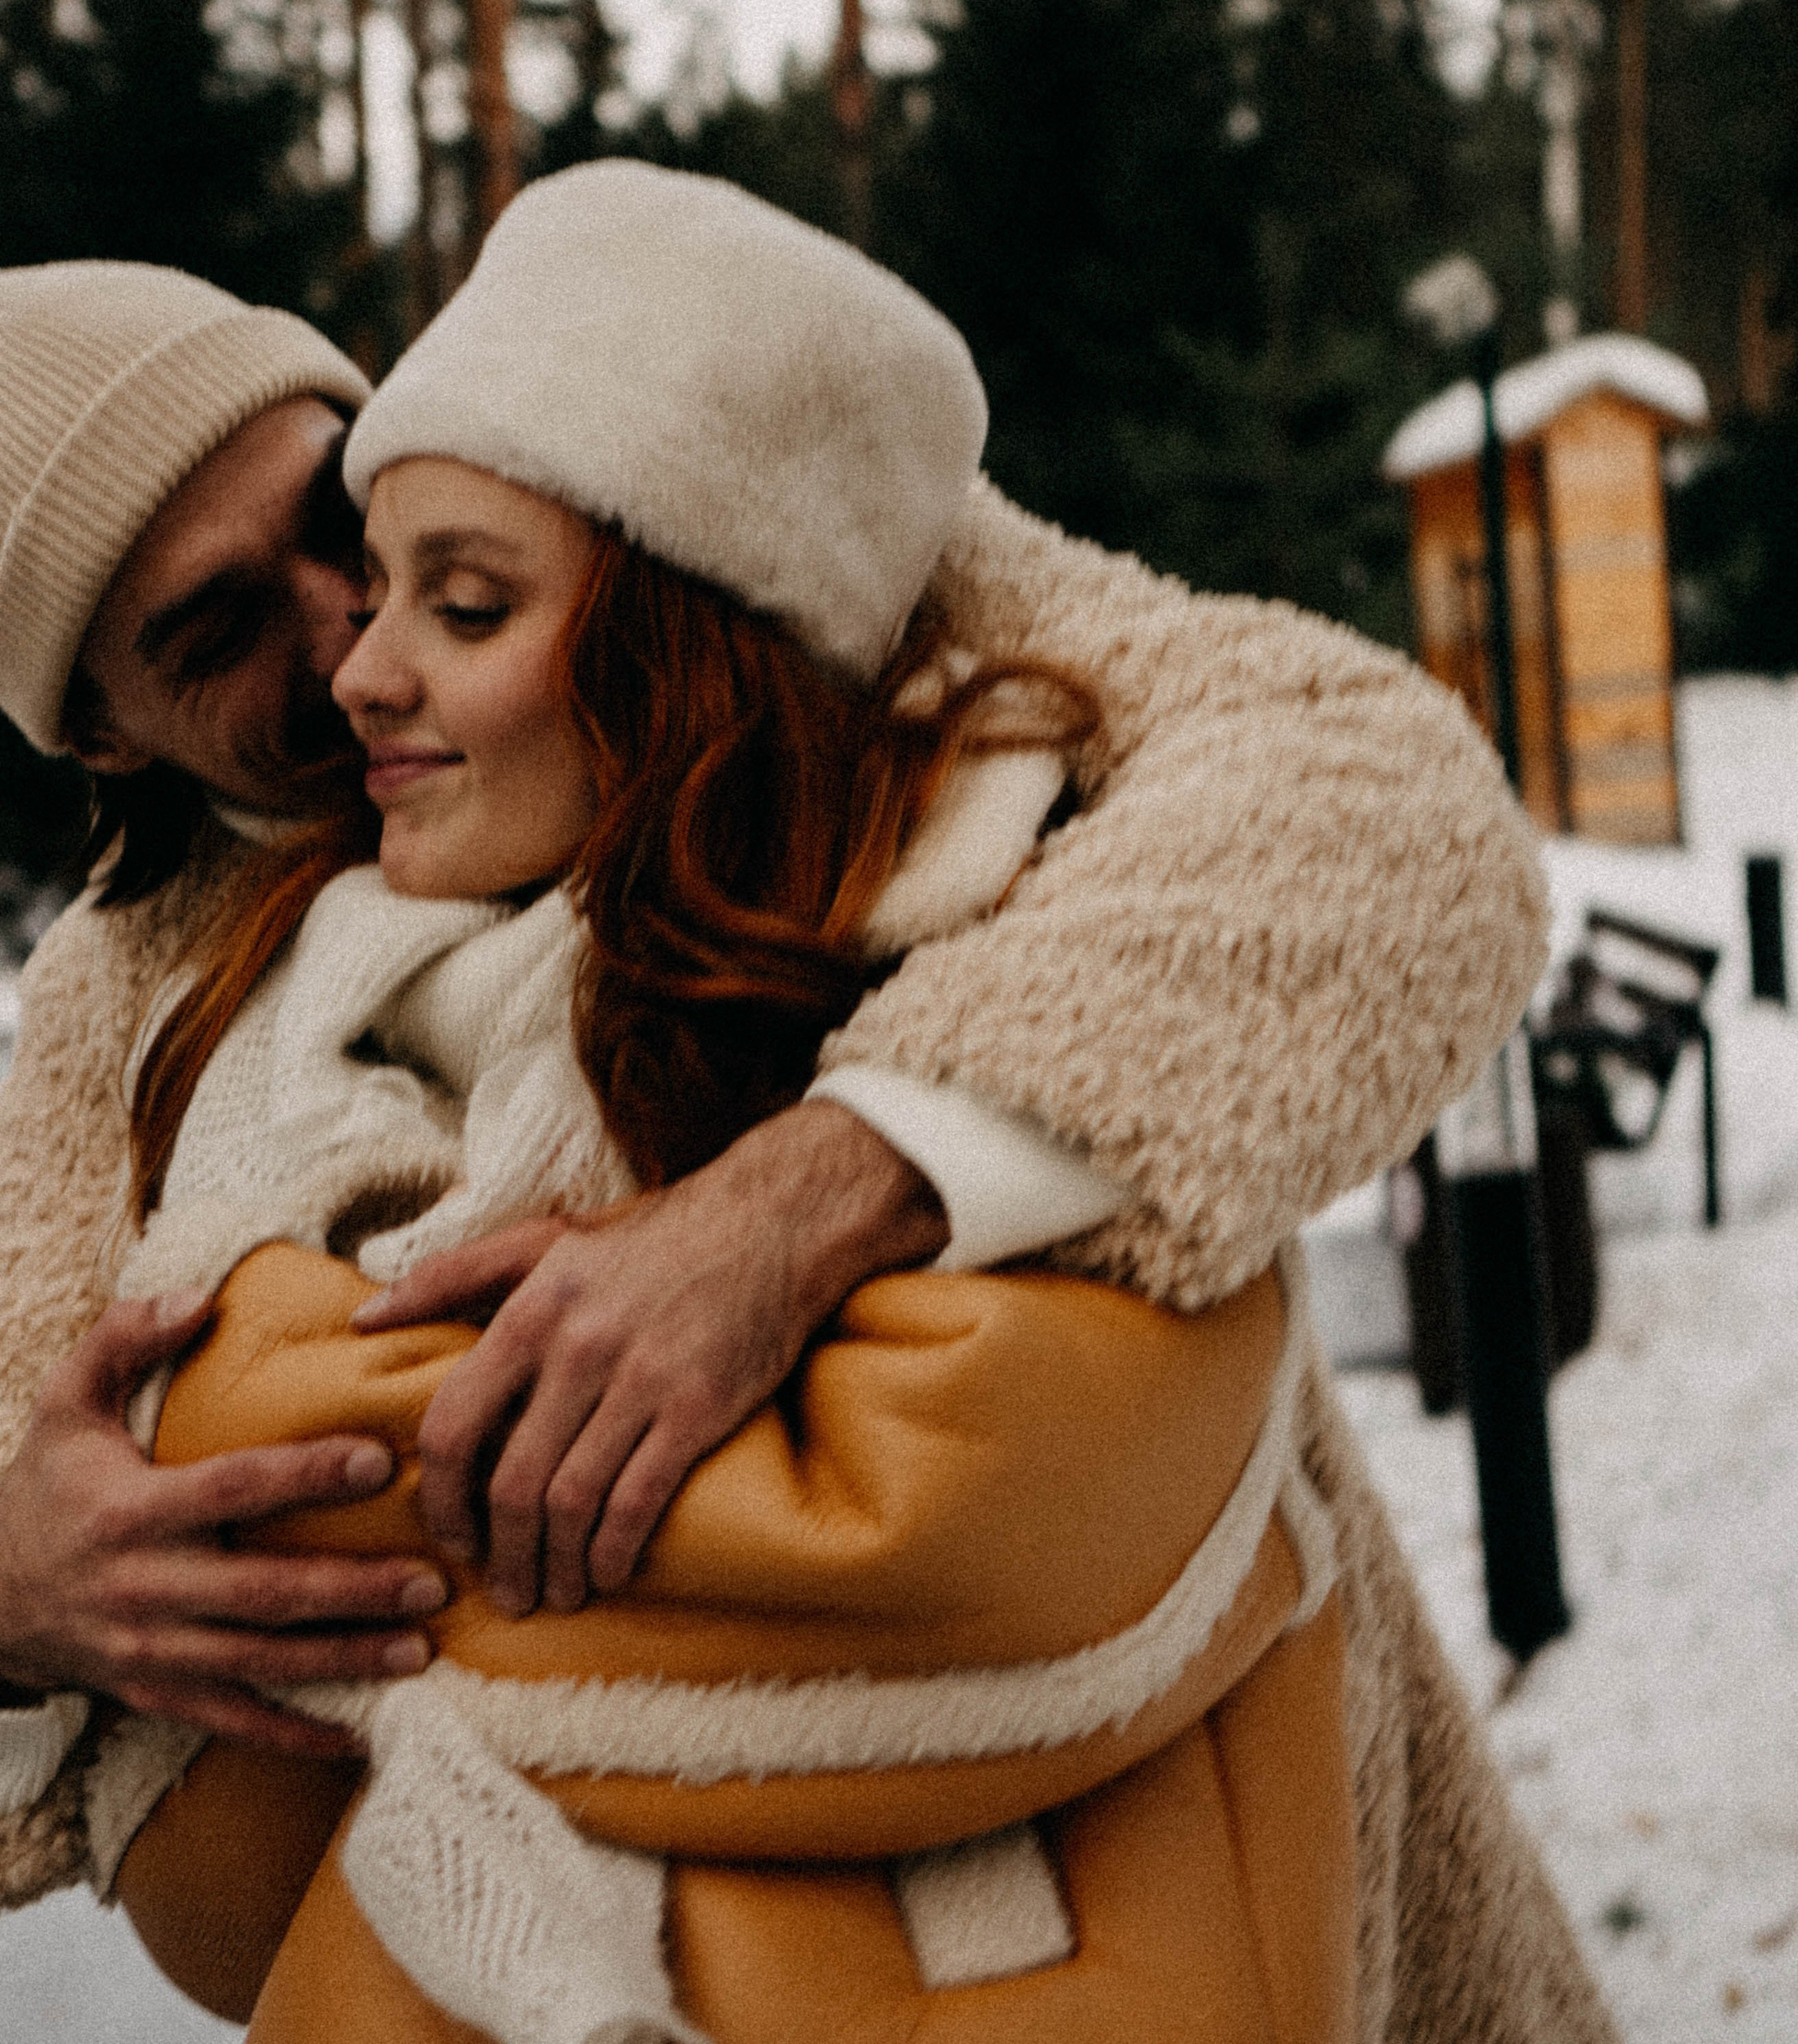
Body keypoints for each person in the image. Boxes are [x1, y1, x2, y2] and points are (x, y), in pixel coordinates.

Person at [0, 194, 1608, 2039]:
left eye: (339, 518)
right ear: (110, 731)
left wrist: (812, 1192)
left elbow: (1388, 806)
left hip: (1204, 1864)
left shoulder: (715, 528)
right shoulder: (131, 1004)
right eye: (218, 632)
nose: (349, 622)